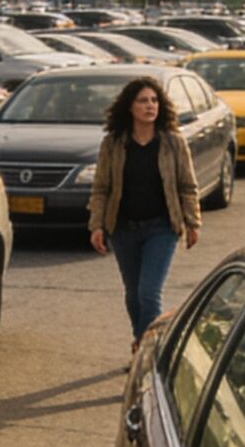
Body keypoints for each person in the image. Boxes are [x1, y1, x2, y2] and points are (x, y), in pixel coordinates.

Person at [86, 76, 203, 348]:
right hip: (124, 229)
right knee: (133, 294)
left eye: (154, 100)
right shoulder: (114, 144)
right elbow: (101, 187)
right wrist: (97, 226)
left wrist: (192, 222)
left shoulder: (173, 142)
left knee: (149, 293)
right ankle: (141, 339)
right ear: (130, 107)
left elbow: (187, 185)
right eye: (142, 101)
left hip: (161, 227)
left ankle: (145, 351)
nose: (150, 106)